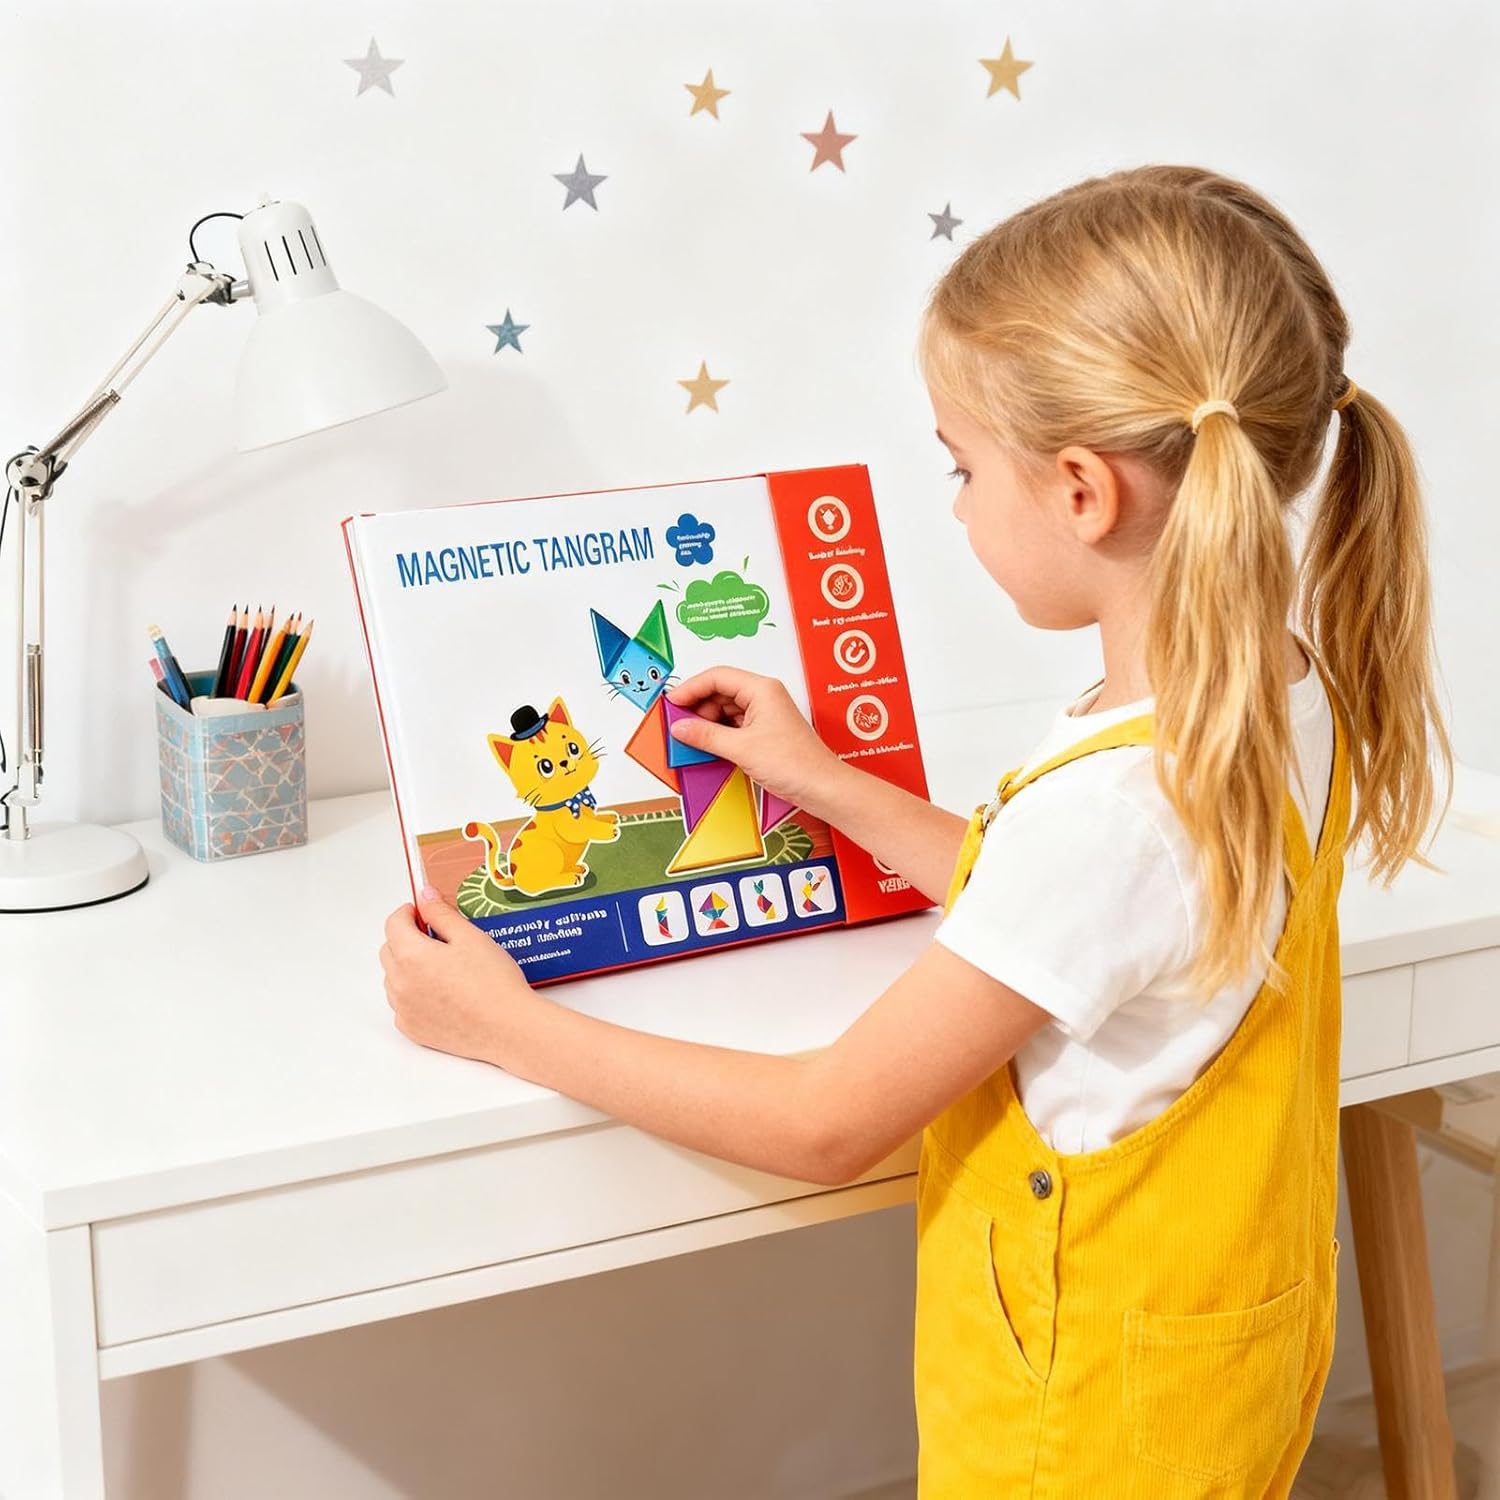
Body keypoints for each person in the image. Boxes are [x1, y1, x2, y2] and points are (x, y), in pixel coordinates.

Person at [379, 164, 1451, 1496]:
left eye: (962, 466)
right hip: (1219, 1373)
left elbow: (826, 1124)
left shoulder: (1120, 808)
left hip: (1080, 1440)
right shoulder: (1275, 692)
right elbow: (1088, 927)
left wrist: (504, 1027)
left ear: (1081, 490)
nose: (953, 504)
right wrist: (823, 780)